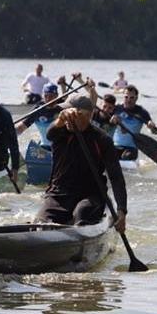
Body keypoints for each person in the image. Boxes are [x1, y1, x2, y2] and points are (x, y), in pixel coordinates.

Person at [36, 94, 127, 233]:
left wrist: (121, 211)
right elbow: (50, 133)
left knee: (82, 213)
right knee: (39, 225)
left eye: (72, 113)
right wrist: (61, 119)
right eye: (65, 113)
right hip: (59, 194)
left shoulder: (102, 139)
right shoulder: (60, 132)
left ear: (87, 115)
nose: (67, 118)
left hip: (90, 194)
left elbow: (116, 177)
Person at [109, 85, 157, 161]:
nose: (128, 100)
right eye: (126, 97)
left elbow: (155, 132)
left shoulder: (142, 112)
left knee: (126, 158)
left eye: (132, 97)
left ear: (136, 98)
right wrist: (112, 121)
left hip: (132, 148)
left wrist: (152, 127)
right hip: (115, 145)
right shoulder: (116, 109)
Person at [15, 83, 63, 148]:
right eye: (46, 96)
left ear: (56, 95)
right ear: (42, 95)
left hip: (59, 147)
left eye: (51, 96)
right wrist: (10, 133)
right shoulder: (38, 110)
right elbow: (21, 128)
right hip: (44, 146)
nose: (48, 99)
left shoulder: (61, 110)